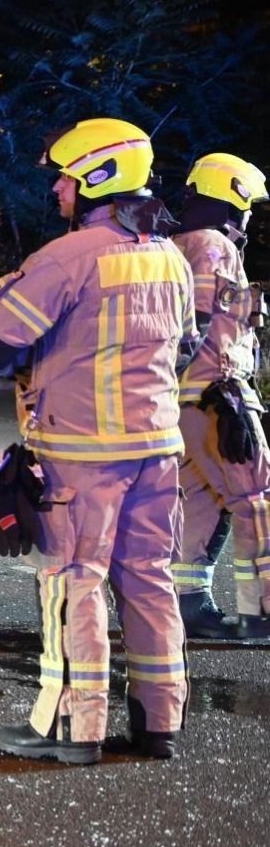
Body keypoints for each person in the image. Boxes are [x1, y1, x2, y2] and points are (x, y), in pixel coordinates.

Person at [0, 117, 193, 764]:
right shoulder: (169, 256)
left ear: (96, 177)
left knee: (74, 581)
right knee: (149, 579)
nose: (58, 190)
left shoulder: (68, 257)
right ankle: (159, 723)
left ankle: (74, 727)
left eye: (65, 177)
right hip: (157, 447)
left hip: (83, 454)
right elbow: (186, 345)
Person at [168, 152, 270, 640]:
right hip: (218, 396)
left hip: (186, 403)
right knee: (257, 500)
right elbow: (202, 320)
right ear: (235, 195)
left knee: (202, 501)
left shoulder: (177, 243)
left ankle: (190, 605)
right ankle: (262, 612)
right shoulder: (213, 246)